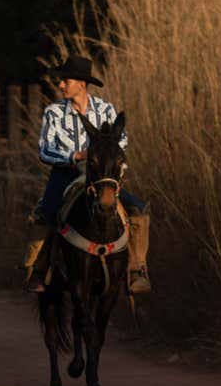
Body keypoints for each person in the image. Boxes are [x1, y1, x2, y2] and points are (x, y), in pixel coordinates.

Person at [23, 56, 151, 294]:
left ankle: (137, 269)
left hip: (102, 174)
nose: (61, 85)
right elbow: (45, 149)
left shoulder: (107, 110)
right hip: (66, 173)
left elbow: (121, 140)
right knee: (47, 210)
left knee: (138, 209)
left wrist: (105, 153)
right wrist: (75, 156)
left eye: (65, 81)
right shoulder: (53, 112)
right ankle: (38, 269)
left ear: (81, 83)